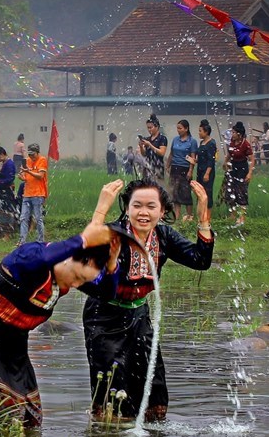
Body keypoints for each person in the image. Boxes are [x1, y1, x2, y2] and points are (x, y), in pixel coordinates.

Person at [0, 181, 124, 431]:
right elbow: (49, 256)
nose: (76, 283)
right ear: (69, 256)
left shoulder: (69, 276)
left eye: (82, 281)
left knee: (29, 417)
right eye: (77, 276)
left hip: (14, 344)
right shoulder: (31, 255)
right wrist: (94, 223)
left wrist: (111, 265)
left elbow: (107, 293)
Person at [82, 177, 213, 423]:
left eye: (151, 207)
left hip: (139, 316)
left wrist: (203, 217)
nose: (143, 212)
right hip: (104, 319)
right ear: (127, 208)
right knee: (112, 386)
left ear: (162, 212)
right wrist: (100, 211)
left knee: (154, 384)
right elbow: (84, 261)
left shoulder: (163, 235)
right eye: (137, 206)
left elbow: (200, 260)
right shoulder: (113, 234)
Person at [222, 121, 255, 226]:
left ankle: (242, 217)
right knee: (230, 192)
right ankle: (232, 215)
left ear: (239, 134)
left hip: (242, 170)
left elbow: (252, 160)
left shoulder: (245, 144)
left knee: (241, 193)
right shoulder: (232, 141)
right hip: (233, 169)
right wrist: (225, 162)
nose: (232, 134)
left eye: (234, 132)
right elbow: (230, 153)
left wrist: (249, 173)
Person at [167, 119, 197, 221]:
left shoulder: (192, 141)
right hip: (175, 168)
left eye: (180, 128)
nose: (178, 130)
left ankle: (189, 216)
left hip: (185, 169)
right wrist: (168, 166)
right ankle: (177, 216)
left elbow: (193, 158)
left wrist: (190, 170)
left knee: (186, 193)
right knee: (175, 193)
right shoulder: (175, 140)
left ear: (186, 129)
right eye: (177, 128)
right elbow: (171, 154)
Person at [17, 143, 48, 244]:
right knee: (23, 218)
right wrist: (22, 177)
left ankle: (40, 240)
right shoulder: (26, 161)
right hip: (27, 194)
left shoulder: (42, 160)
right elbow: (25, 177)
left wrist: (28, 171)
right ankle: (22, 241)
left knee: (38, 218)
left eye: (33, 154)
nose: (31, 156)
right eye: (29, 154)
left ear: (37, 153)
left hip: (38, 194)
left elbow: (40, 176)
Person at [187, 119, 217, 221]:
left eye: (200, 131)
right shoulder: (201, 142)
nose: (199, 133)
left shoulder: (211, 143)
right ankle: (200, 214)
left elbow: (211, 160)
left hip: (207, 171)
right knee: (199, 192)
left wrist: (207, 173)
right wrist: (193, 160)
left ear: (206, 132)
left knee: (207, 192)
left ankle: (207, 216)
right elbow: (201, 158)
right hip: (200, 170)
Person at [138, 114, 167, 181]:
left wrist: (150, 145)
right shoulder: (148, 139)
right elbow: (144, 154)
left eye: (151, 127)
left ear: (157, 127)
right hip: (148, 166)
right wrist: (141, 147)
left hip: (157, 167)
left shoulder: (162, 138)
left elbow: (162, 153)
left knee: (157, 185)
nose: (149, 129)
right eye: (148, 128)